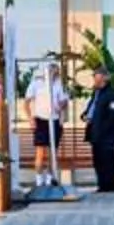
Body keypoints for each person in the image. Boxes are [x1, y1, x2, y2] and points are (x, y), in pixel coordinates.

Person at [24, 62, 70, 197]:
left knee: (52, 153)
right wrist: (30, 119)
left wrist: (63, 103)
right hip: (40, 119)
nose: (54, 74)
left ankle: (50, 179)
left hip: (54, 119)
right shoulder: (36, 84)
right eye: (52, 71)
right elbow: (26, 103)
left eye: (56, 72)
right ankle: (39, 180)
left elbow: (62, 103)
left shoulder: (58, 85)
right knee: (40, 152)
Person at [80, 70, 114, 194]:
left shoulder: (111, 94)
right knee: (98, 161)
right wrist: (85, 115)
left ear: (104, 79)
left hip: (106, 136)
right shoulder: (96, 94)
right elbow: (91, 109)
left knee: (107, 161)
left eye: (97, 77)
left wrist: (102, 128)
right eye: (95, 77)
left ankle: (110, 186)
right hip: (95, 134)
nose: (95, 80)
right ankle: (102, 185)